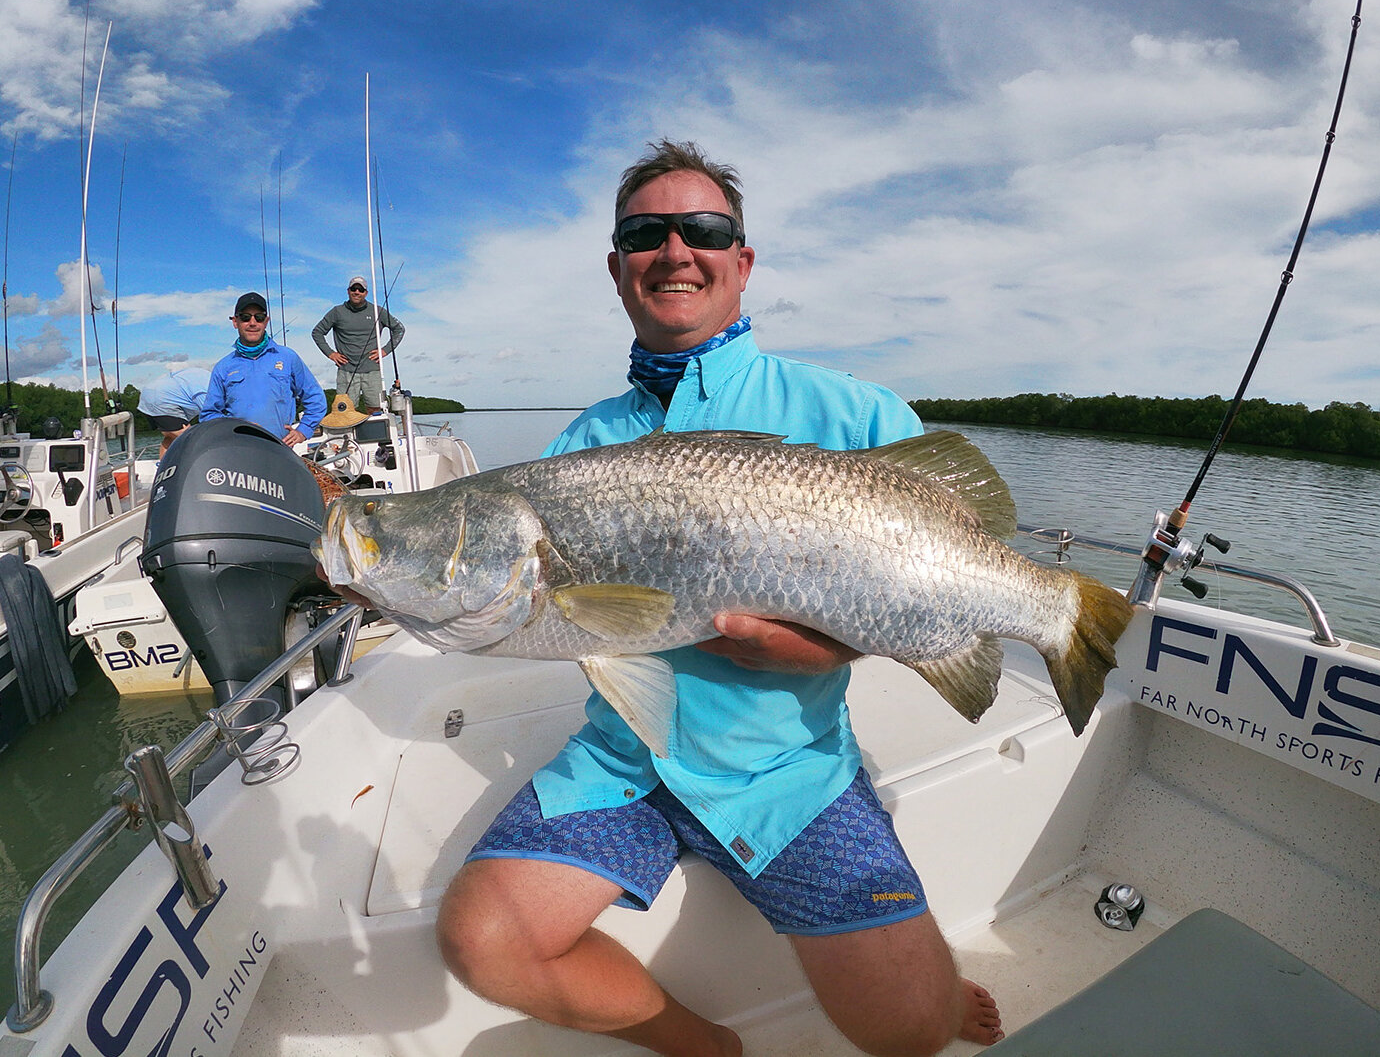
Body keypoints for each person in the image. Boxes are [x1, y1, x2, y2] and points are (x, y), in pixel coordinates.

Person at [435, 141, 1004, 1055]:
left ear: (741, 261)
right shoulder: (582, 443)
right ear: (617, 268)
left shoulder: (853, 413)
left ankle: (929, 982)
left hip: (788, 769)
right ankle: (705, 1046)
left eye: (702, 230)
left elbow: (935, 578)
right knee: (481, 940)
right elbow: (548, 614)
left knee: (915, 1036)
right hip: (627, 763)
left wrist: (833, 650)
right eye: (643, 234)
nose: (674, 250)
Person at [201, 292, 324, 447]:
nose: (252, 323)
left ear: (266, 322)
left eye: (258, 317)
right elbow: (208, 415)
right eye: (245, 317)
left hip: (280, 449)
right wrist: (236, 428)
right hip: (238, 449)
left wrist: (303, 430)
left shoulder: (288, 357)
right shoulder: (223, 367)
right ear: (235, 322)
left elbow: (315, 398)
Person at [310, 275, 405, 413]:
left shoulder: (377, 311)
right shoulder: (337, 312)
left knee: (376, 408)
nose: (357, 292)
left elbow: (399, 329)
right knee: (344, 411)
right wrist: (331, 354)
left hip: (372, 369)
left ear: (366, 293)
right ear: (348, 291)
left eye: (361, 290)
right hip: (345, 370)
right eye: (354, 289)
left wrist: (385, 350)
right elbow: (317, 332)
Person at [137, 365, 211, 455]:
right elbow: (210, 416)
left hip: (147, 396)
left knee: (171, 437)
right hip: (162, 400)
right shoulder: (208, 389)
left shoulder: (205, 377)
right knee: (189, 439)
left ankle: (163, 468)